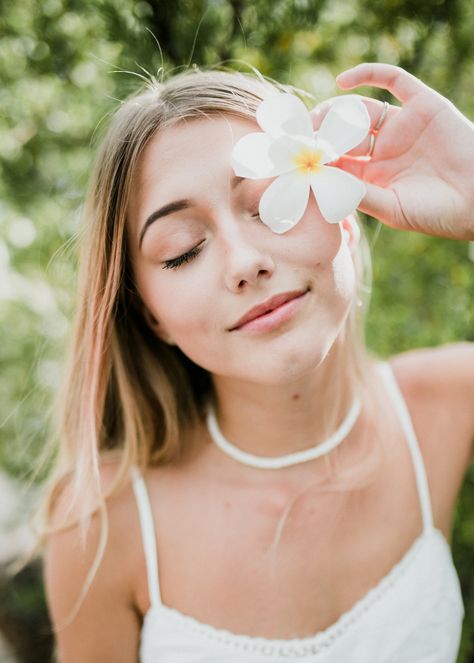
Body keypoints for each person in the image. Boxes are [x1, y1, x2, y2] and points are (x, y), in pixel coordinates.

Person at [41, 62, 474, 662]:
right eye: (182, 252)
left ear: (345, 212)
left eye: (274, 201)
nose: (245, 261)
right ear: (150, 315)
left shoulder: (452, 402)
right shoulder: (100, 524)